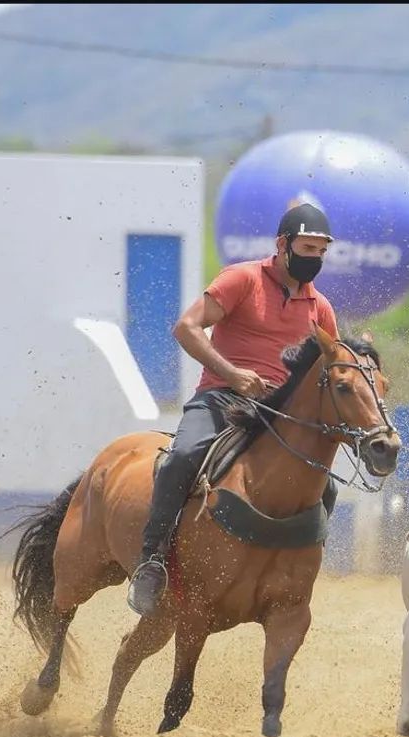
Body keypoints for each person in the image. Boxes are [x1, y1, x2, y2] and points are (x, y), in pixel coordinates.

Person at [127, 203, 340, 616]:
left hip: (277, 420)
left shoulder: (321, 309)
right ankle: (151, 561)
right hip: (221, 399)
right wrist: (232, 373)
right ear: (283, 244)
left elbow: (329, 371)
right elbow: (186, 327)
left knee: (325, 486)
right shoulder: (242, 279)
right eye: (307, 249)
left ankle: (294, 565)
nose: (314, 259)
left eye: (320, 252)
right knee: (183, 456)